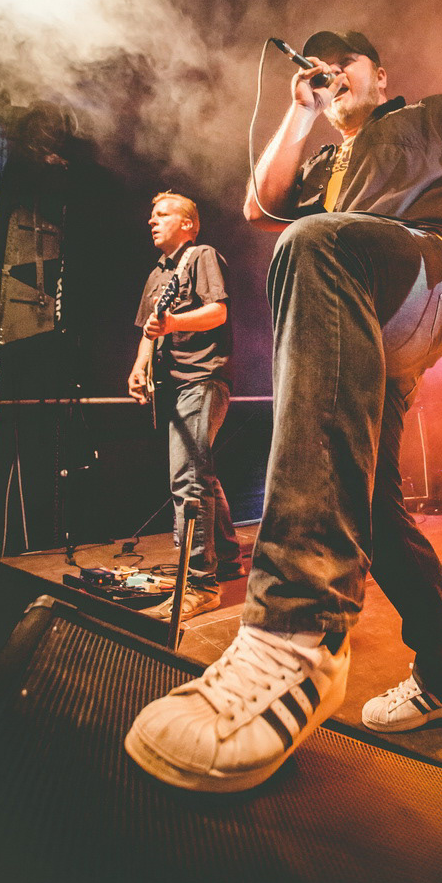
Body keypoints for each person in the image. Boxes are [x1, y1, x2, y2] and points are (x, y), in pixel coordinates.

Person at [125, 32, 442, 792]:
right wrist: (300, 111)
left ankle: (296, 628)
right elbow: (259, 206)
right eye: (317, 63)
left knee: (313, 244)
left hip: (427, 270)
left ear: (380, 75)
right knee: (373, 504)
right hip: (362, 318)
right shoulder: (324, 162)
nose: (329, 71)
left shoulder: (432, 115)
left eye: (344, 60)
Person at [127, 191, 243, 620]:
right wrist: (139, 366)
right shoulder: (157, 274)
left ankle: (200, 584)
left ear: (188, 224)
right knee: (200, 472)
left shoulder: (201, 256)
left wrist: (174, 321)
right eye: (151, 215)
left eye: (162, 214)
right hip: (173, 385)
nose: (152, 221)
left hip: (203, 377)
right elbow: (149, 329)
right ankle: (227, 560)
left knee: (187, 479)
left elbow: (217, 312)